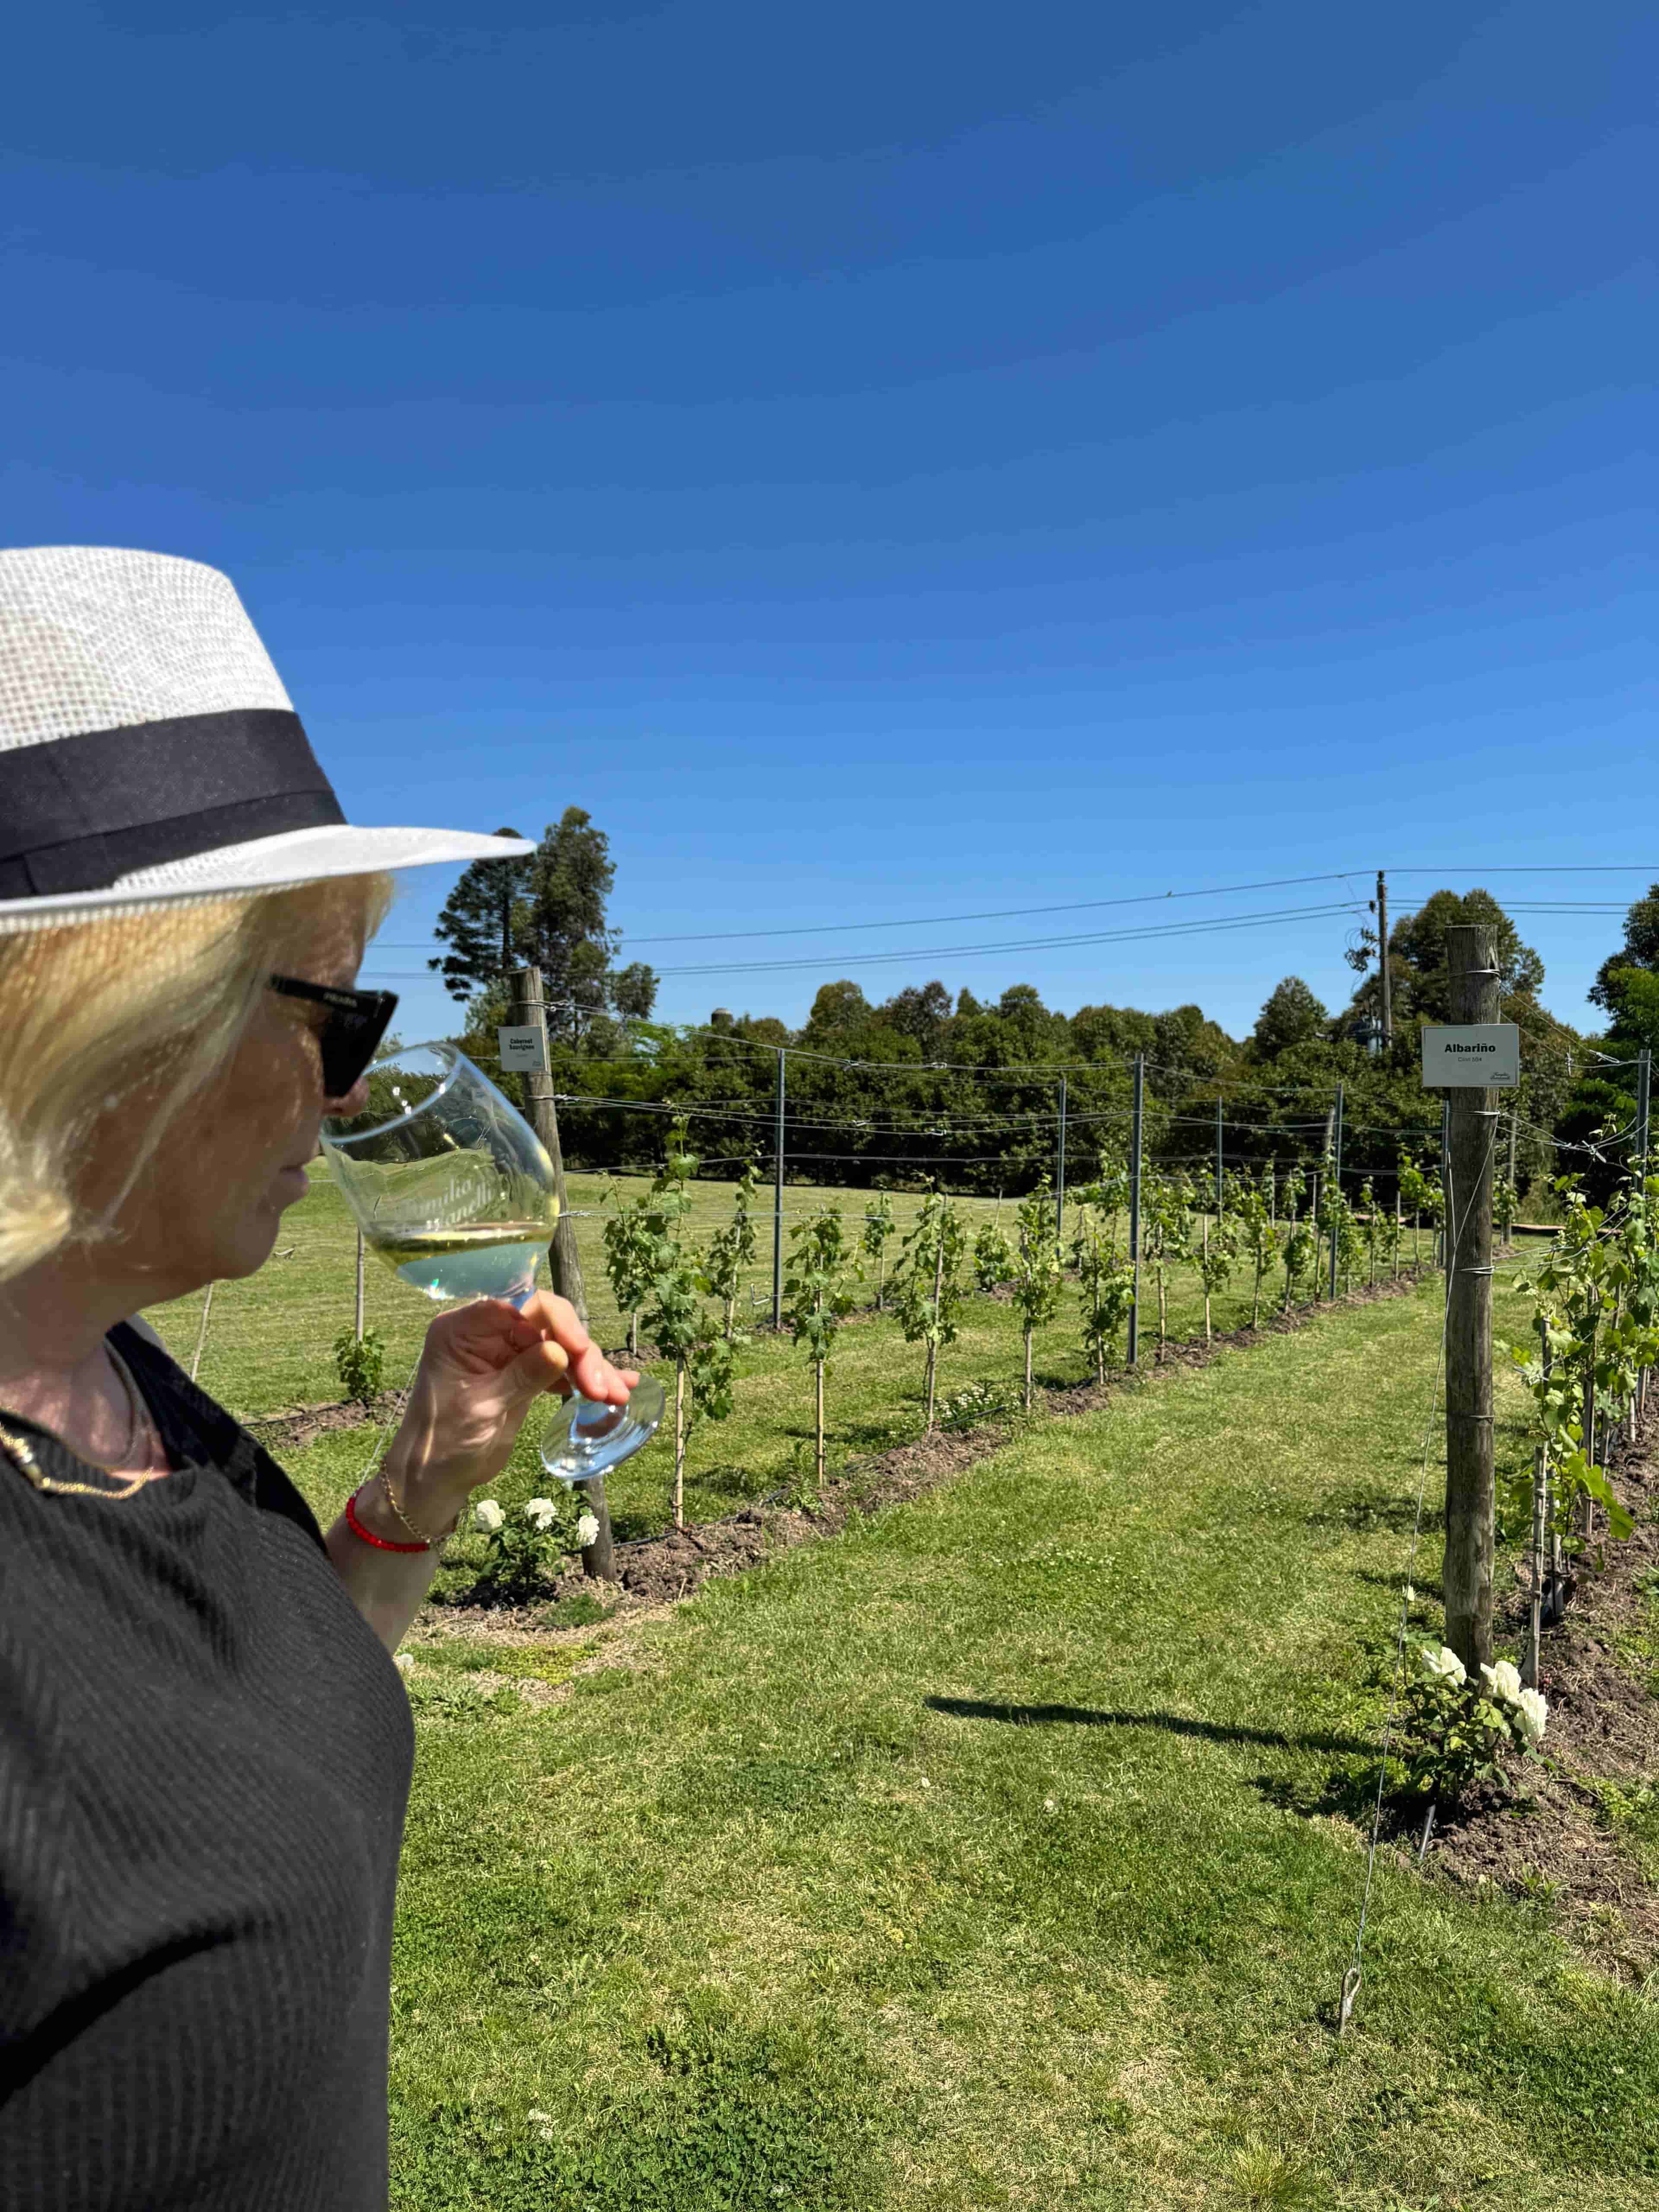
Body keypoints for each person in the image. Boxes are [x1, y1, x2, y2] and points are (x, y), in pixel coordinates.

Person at [0, 547, 638, 2209]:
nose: (350, 1095)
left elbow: (235, 1741)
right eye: (336, 1023)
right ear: (116, 1017)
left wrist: (412, 1497)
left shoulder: (127, 1389)